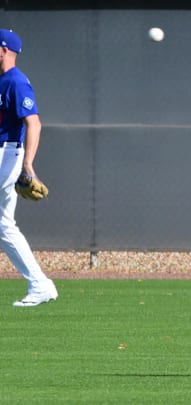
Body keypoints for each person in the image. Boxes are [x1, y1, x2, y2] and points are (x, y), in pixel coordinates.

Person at [0, 29, 58, 307]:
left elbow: (33, 123)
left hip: (7, 154)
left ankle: (40, 284)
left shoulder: (16, 82)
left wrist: (28, 166)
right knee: (3, 226)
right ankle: (40, 284)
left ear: (2, 50)